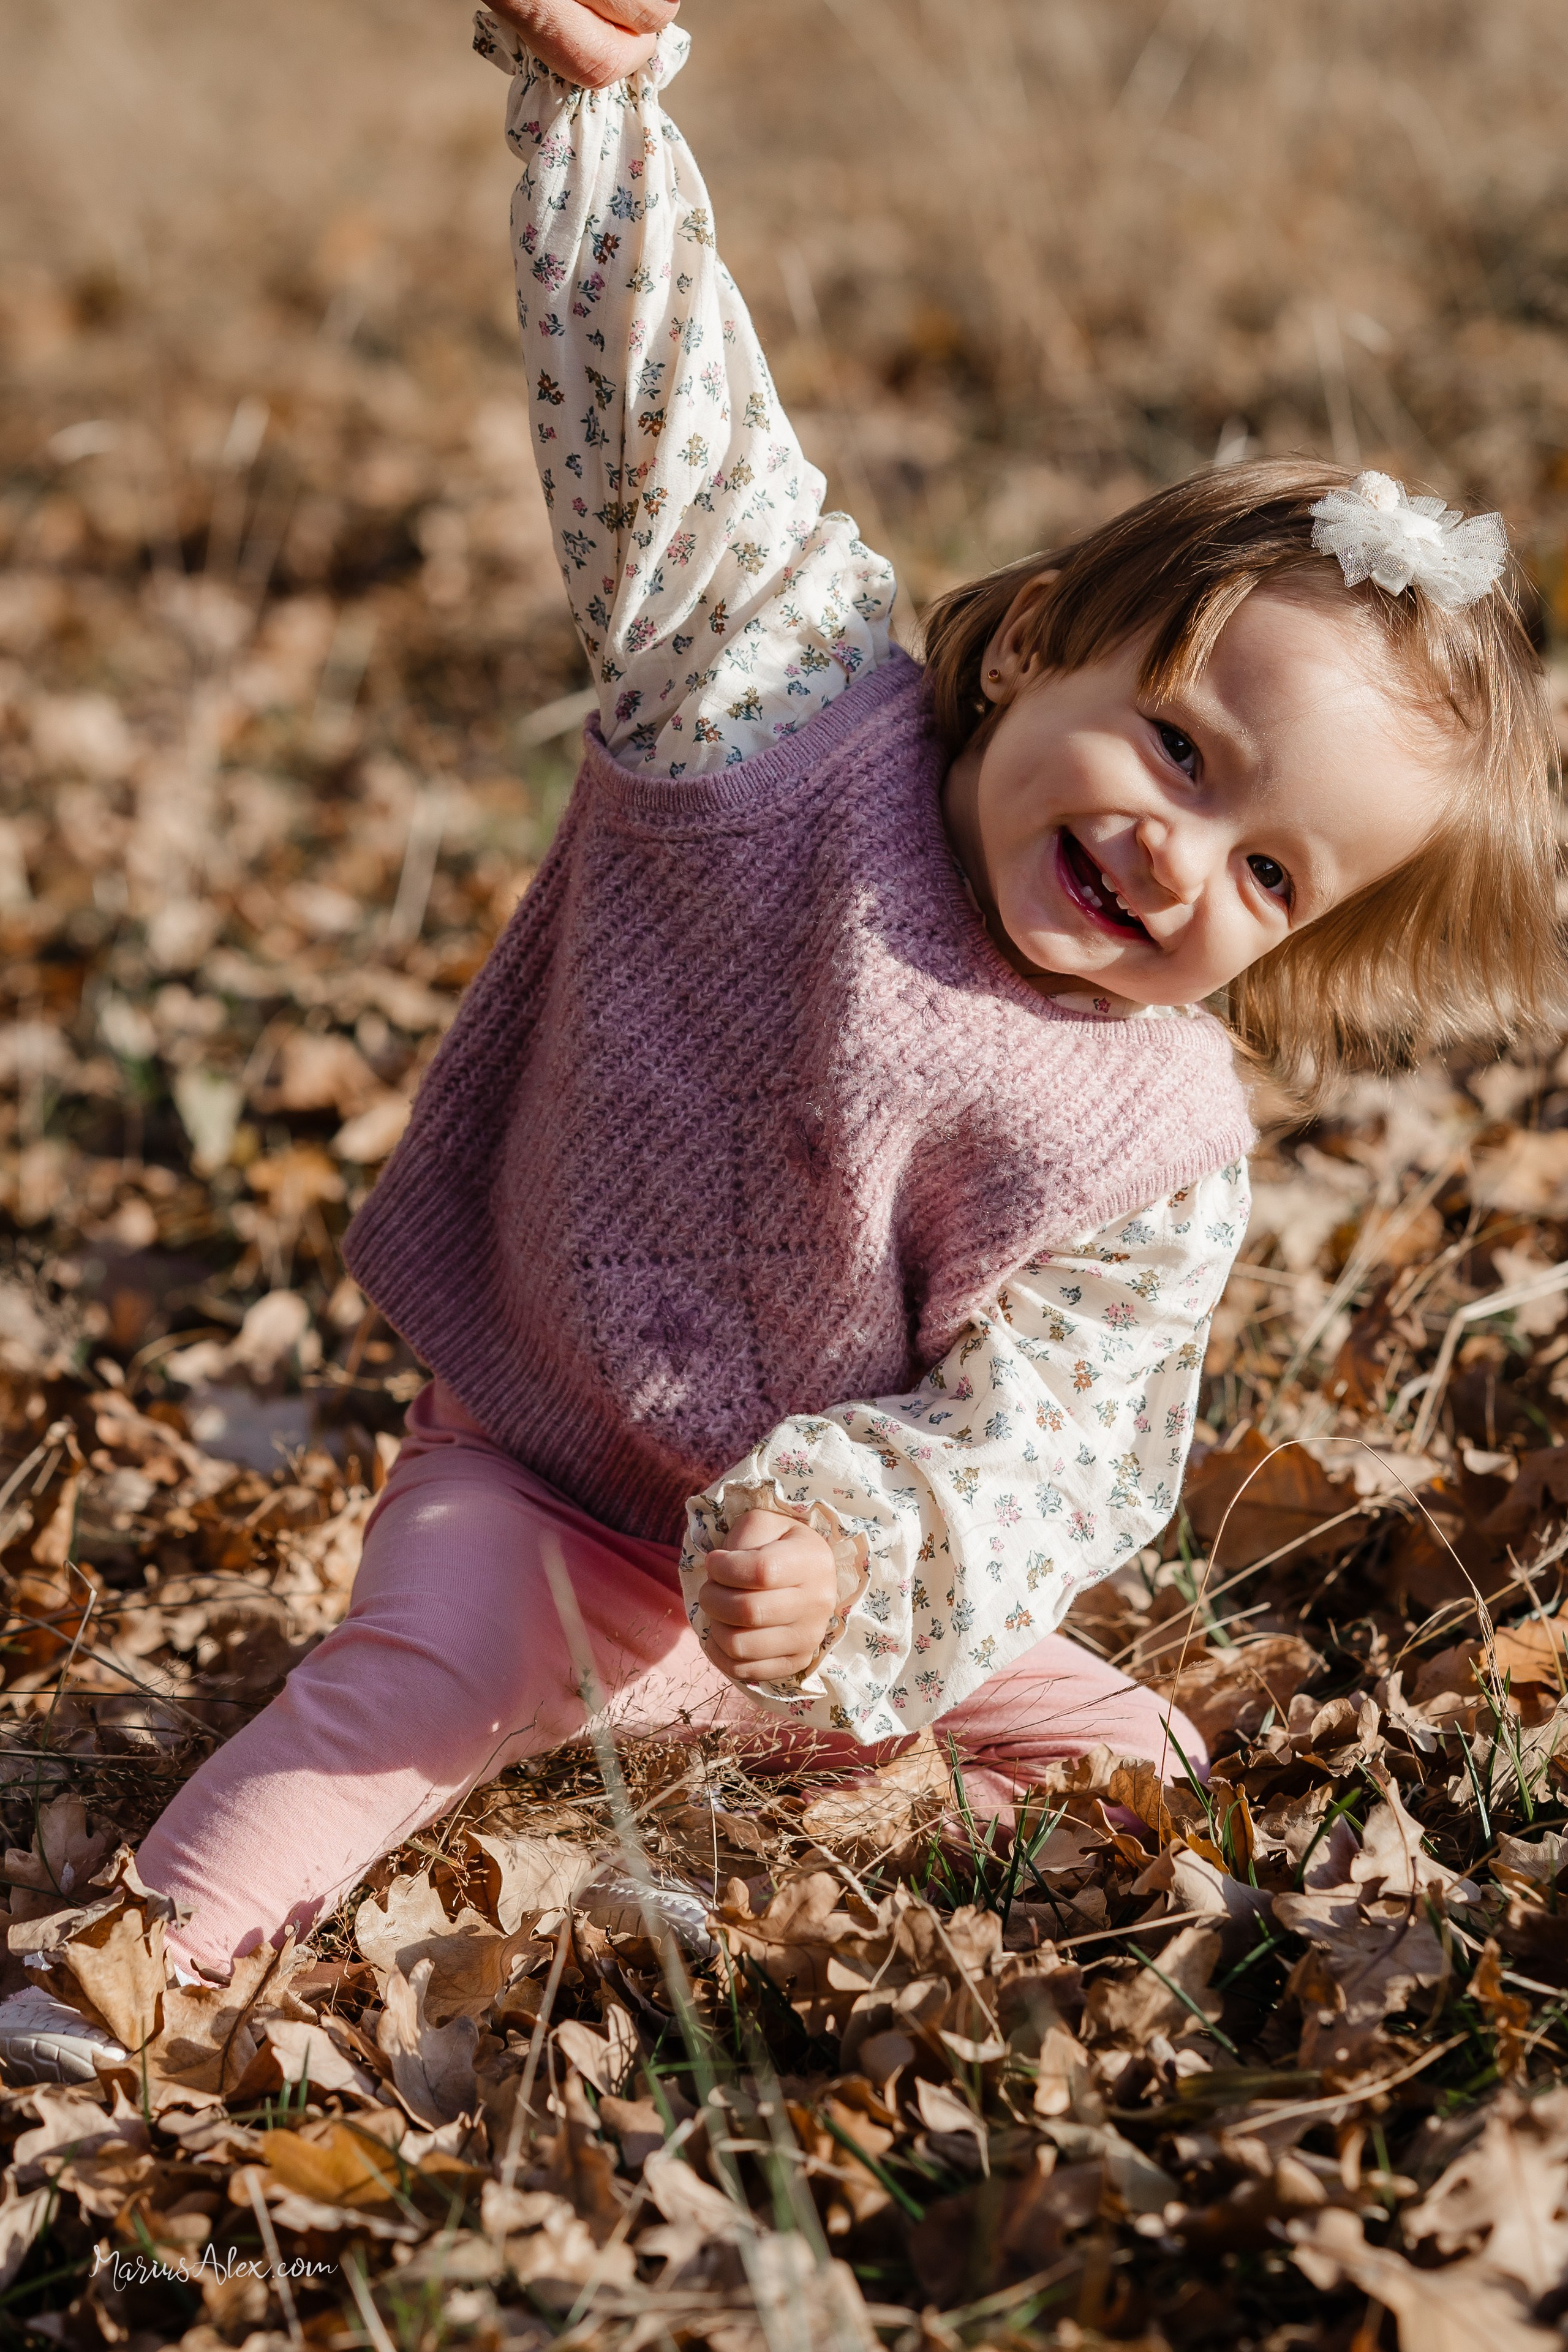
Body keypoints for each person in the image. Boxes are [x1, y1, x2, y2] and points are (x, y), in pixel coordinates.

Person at [123, 0, 1561, 1978]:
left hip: (815, 1587)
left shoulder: (1151, 1140)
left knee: (1139, 1762)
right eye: (1177, 749)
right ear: (1034, 641)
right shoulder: (777, 716)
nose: (1179, 855)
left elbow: (1041, 1439)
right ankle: (118, 1992)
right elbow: (674, 434)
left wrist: (845, 1549)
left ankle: (765, 1778)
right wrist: (595, 104)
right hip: (541, 1484)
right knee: (402, 1699)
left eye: (1269, 875)